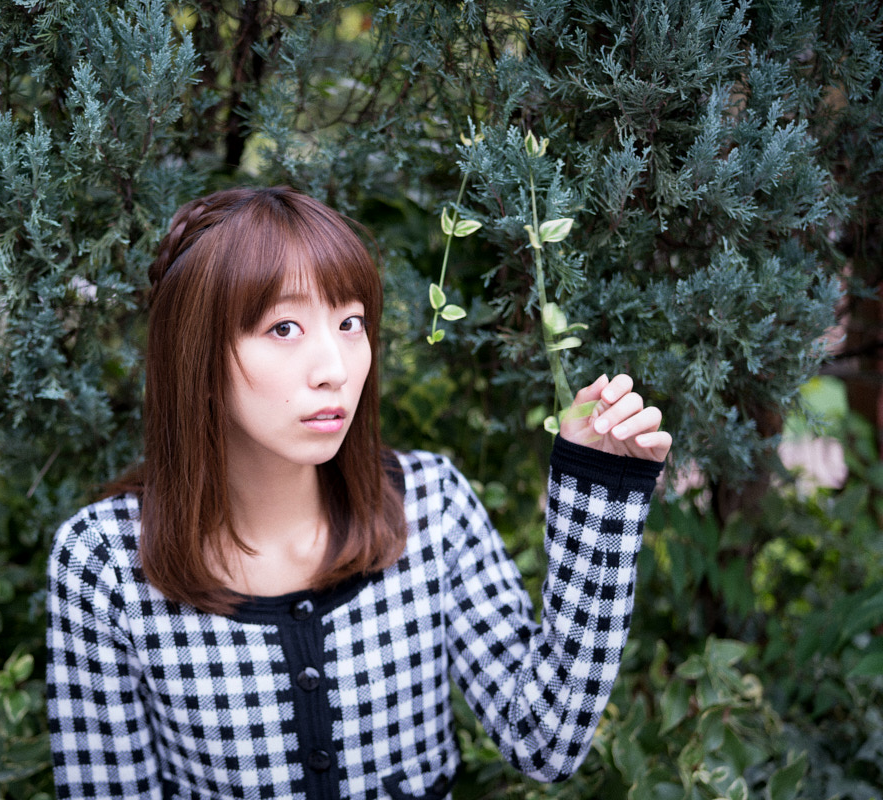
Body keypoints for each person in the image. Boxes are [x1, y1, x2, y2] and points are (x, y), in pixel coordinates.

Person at [46, 186, 671, 800]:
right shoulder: (105, 562)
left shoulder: (430, 505)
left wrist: (601, 491)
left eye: (351, 323)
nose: (335, 369)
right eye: (284, 327)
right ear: (197, 356)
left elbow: (545, 741)